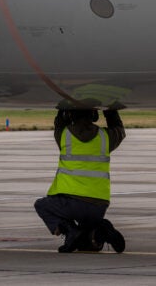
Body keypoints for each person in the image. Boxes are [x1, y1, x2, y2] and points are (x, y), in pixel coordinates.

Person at [34, 107, 127, 253]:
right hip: (98, 206)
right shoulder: (105, 138)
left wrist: (63, 108)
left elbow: (59, 124)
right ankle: (101, 228)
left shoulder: (64, 136)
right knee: (85, 242)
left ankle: (70, 231)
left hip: (73, 203)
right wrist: (110, 110)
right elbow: (119, 130)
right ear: (93, 115)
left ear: (70, 115)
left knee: (41, 205)